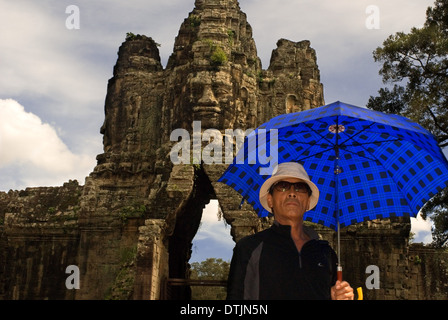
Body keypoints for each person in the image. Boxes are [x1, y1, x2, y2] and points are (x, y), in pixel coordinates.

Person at [226, 162, 354, 300]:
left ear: (308, 202)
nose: (292, 193)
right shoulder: (250, 248)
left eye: (300, 188)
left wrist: (337, 296)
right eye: (283, 187)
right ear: (270, 200)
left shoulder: (326, 253)